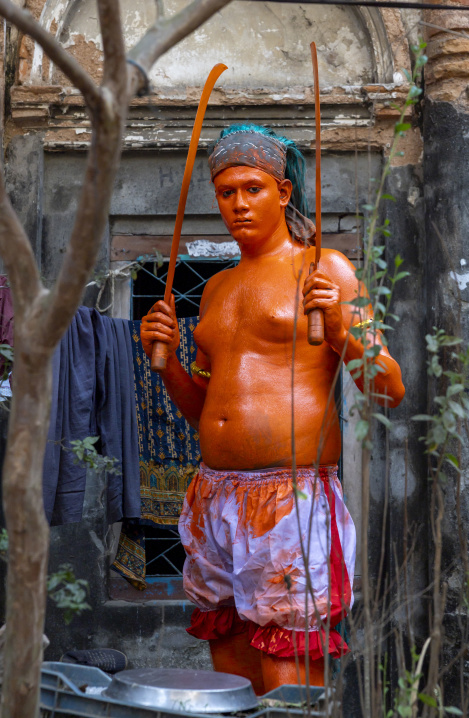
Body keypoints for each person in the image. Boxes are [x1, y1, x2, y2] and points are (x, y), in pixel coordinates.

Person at [140, 125, 405, 694]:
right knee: (228, 656)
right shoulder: (215, 291)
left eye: (252, 189)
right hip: (215, 493)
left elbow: (389, 389)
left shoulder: (323, 269)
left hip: (292, 497)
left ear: (283, 193)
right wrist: (166, 367)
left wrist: (338, 328)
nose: (237, 203)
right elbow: (205, 410)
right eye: (226, 192)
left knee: (287, 664)